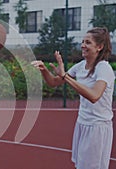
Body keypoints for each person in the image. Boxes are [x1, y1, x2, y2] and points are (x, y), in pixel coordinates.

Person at [31, 27, 114, 169]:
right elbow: (53, 82)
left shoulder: (103, 68)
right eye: (82, 41)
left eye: (88, 42)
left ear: (99, 47)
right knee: (80, 165)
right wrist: (44, 69)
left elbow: (94, 96)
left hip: (97, 128)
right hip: (82, 123)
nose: (82, 45)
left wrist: (65, 76)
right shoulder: (80, 66)